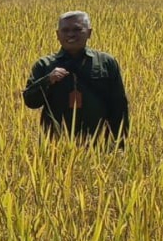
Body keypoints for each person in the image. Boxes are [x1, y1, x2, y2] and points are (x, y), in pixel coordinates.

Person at [23, 10, 129, 145]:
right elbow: (30, 102)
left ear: (89, 32)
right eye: (65, 30)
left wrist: (119, 143)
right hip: (55, 143)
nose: (71, 34)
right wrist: (48, 80)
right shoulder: (45, 64)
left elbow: (119, 105)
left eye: (77, 29)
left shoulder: (106, 62)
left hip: (98, 143)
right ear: (57, 34)